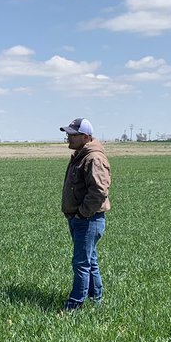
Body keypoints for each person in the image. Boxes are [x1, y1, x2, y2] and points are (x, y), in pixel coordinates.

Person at [60, 117, 111, 311]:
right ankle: (94, 302)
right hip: (81, 219)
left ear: (86, 137)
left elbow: (99, 191)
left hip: (88, 219)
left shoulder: (93, 158)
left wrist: (82, 214)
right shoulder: (82, 155)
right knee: (89, 262)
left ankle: (74, 306)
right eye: (68, 134)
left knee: (81, 263)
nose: (68, 138)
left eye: (73, 135)